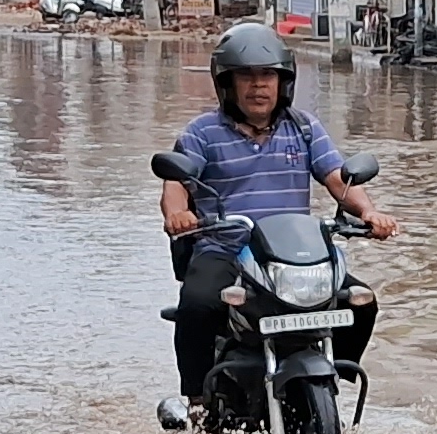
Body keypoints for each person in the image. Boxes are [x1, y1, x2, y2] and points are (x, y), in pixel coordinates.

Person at [161, 22, 398, 413]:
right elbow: (176, 186)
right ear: (227, 83)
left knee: (361, 302)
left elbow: (338, 178)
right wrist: (180, 214)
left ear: (283, 81)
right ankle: (198, 403)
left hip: (291, 255)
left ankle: (328, 381)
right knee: (197, 305)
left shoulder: (303, 128)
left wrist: (369, 211)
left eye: (267, 75)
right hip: (227, 250)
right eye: (247, 76)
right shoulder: (201, 133)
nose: (258, 86)